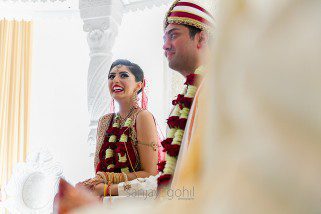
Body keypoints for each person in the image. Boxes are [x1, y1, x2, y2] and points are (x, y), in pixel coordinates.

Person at [77, 59, 159, 197]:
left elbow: (150, 173)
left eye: (123, 75)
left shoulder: (142, 117)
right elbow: (99, 171)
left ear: (139, 85)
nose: (115, 79)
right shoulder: (105, 121)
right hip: (104, 199)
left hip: (133, 200)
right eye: (111, 76)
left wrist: (107, 181)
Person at [157, 0, 214, 189]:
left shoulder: (218, 86)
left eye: (173, 35)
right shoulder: (182, 103)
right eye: (164, 38)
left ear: (201, 38)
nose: (165, 46)